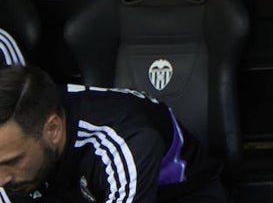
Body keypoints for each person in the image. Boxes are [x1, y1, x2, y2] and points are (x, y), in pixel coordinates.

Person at [0, 64, 227, 202]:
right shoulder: (30, 125)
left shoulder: (126, 143)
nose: (1, 179)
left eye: (12, 161)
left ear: (53, 129)